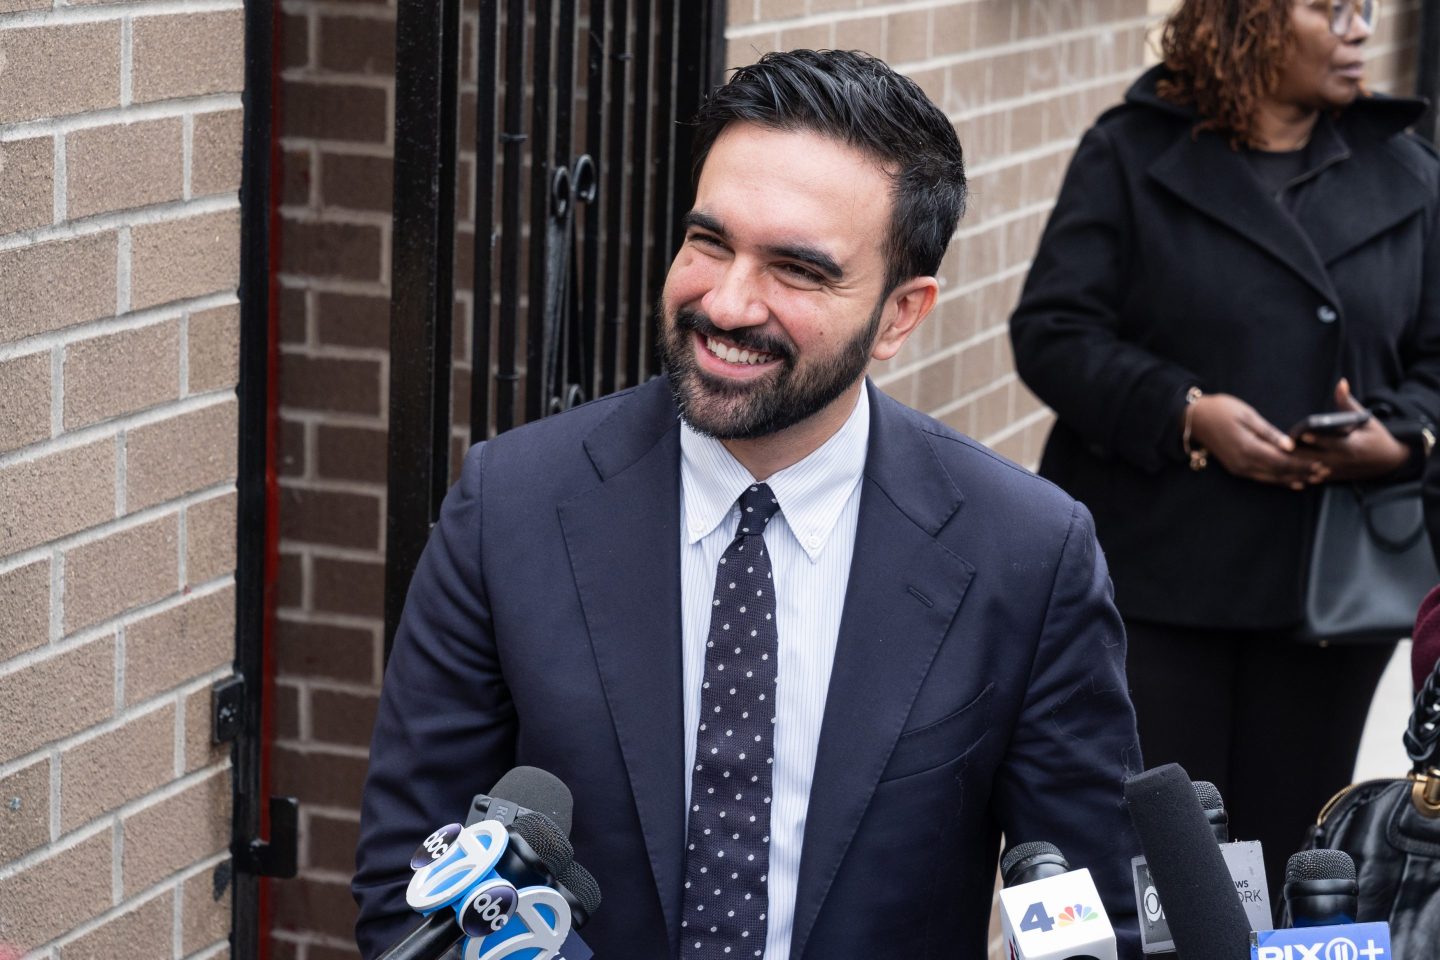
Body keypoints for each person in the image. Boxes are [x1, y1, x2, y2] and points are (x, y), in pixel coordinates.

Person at [354, 49, 1143, 959]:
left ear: (900, 314)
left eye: (798, 270)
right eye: (710, 242)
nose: (727, 303)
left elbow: (1100, 913)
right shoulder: (509, 509)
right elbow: (410, 892)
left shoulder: (1029, 553)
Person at [1010, 0, 1440, 894]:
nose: (1359, 29)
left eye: (1366, 10)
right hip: (1160, 575)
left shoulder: (1407, 171)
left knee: (1298, 854)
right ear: (1245, 22)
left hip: (1325, 595)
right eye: (1331, 8)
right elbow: (1055, 331)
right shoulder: (1131, 152)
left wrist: (1398, 439)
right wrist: (1184, 411)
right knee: (1160, 860)